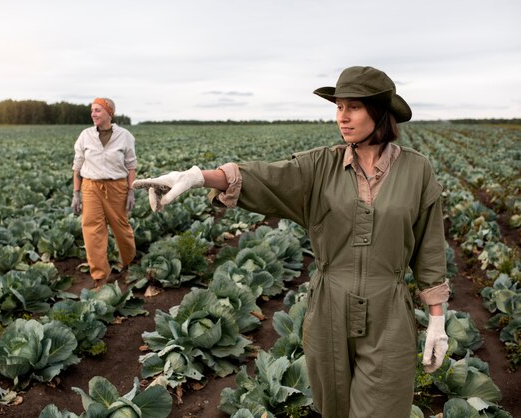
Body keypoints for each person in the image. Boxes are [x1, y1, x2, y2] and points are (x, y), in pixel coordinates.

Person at [133, 66, 450, 417]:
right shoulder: (319, 166)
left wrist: (437, 320)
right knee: (335, 408)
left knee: (385, 407)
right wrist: (196, 177)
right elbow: (265, 177)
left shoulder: (416, 170)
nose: (342, 117)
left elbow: (430, 249)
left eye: (353, 107)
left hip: (389, 311)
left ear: (379, 112)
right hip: (329, 306)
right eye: (338, 107)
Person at [71, 97, 137, 289]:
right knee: (92, 230)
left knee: (121, 228)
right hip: (90, 187)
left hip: (117, 187)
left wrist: (131, 190)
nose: (93, 114)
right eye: (92, 110)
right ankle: (100, 277)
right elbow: (77, 166)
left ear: (109, 113)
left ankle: (128, 264)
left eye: (98, 110)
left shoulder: (124, 136)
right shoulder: (85, 135)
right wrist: (76, 193)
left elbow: (131, 166)